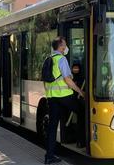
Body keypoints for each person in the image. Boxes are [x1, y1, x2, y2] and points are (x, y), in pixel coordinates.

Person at [44, 36, 85, 164]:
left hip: (52, 97)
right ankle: (81, 141)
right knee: (82, 110)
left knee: (52, 127)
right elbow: (67, 80)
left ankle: (49, 157)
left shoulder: (49, 59)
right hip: (64, 96)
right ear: (61, 47)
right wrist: (80, 92)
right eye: (65, 45)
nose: (66, 47)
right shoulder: (62, 59)